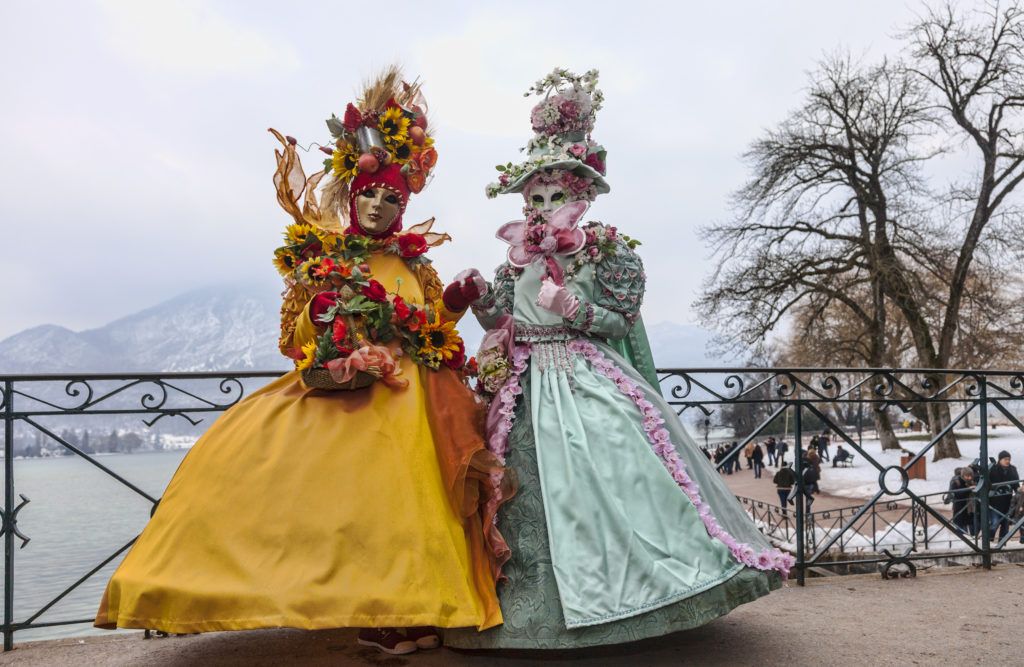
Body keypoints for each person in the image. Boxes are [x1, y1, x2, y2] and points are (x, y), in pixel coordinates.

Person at [94, 69, 511, 655]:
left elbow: (433, 333)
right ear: (352, 192)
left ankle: (415, 610)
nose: (380, 205)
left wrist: (457, 303)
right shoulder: (323, 255)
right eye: (371, 193)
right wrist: (324, 320)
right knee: (275, 473)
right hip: (351, 396)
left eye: (393, 196)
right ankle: (352, 605)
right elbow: (295, 337)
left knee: (410, 509)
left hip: (419, 406)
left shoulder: (416, 267)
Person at [444, 68, 792, 650]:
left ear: (579, 198)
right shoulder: (516, 258)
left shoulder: (608, 253)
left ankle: (636, 598)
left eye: (557, 197)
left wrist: (573, 307)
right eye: (536, 198)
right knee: (520, 495)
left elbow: (618, 323)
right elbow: (501, 319)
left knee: (621, 478)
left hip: (587, 380)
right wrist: (479, 295)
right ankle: (526, 615)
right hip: (523, 387)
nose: (546, 207)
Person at [989, 451, 1020, 541]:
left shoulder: (1013, 469)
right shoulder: (993, 468)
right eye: (1005, 459)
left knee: (1005, 526)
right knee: (994, 524)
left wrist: (1018, 492)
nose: (1007, 461)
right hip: (995, 502)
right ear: (1000, 460)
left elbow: (1016, 484)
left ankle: (1002, 544)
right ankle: (989, 542)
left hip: (1008, 501)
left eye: (1009, 459)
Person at [946, 467, 977, 536]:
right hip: (960, 509)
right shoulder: (957, 482)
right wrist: (968, 489)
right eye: (967, 476)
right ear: (963, 476)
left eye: (971, 476)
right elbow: (957, 494)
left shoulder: (973, 482)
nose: (969, 478)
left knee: (974, 532)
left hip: (970, 511)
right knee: (962, 533)